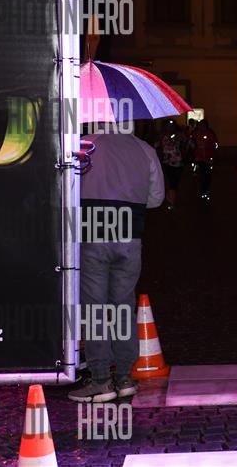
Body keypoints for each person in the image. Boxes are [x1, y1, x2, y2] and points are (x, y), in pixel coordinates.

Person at [69, 125, 165, 402]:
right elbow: (155, 199)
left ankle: (101, 380)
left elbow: (65, 189)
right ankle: (124, 377)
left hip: (93, 236)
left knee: (95, 310)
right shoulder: (144, 150)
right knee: (122, 307)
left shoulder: (83, 146)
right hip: (129, 238)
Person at [155, 119, 189, 210]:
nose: (170, 127)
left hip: (179, 162)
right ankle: (172, 201)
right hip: (167, 162)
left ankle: (171, 195)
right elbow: (156, 146)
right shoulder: (161, 136)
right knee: (171, 181)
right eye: (168, 126)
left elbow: (187, 144)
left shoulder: (180, 135)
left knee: (176, 181)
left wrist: (184, 153)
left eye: (172, 126)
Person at [191, 119, 219, 201]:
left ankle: (206, 190)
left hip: (208, 158)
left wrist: (211, 149)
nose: (201, 126)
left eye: (203, 125)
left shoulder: (210, 133)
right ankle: (203, 190)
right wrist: (193, 147)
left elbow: (215, 144)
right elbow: (192, 143)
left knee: (207, 175)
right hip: (199, 158)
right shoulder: (195, 133)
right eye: (200, 125)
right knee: (202, 174)